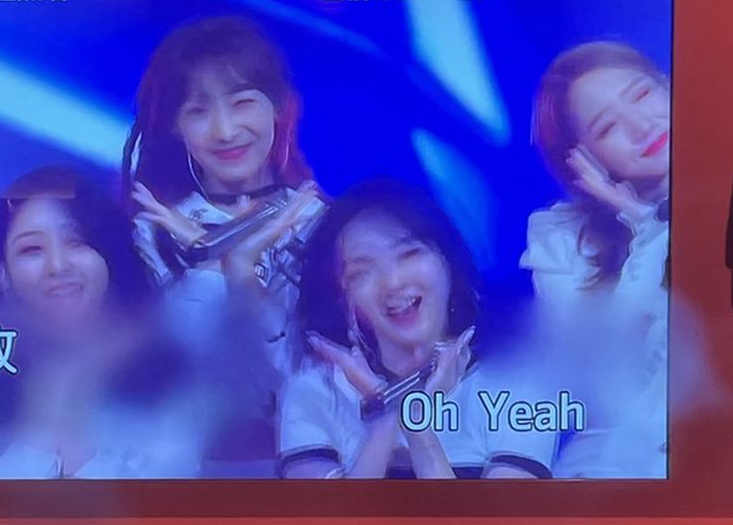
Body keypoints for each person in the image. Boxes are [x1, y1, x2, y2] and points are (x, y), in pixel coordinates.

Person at [0, 166, 207, 479]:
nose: (58, 266)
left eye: (76, 242)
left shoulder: (170, 383)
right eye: (32, 249)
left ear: (109, 254)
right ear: (2, 273)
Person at [282, 180, 563, 479]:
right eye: (361, 272)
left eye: (409, 254)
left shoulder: (519, 387)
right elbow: (332, 513)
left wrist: (418, 425)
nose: (393, 282)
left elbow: (493, 514)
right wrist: (385, 414)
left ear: (448, 262)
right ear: (342, 298)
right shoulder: (316, 391)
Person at [121, 17, 327, 379]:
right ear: (175, 125)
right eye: (199, 111)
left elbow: (318, 375)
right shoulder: (152, 236)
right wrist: (210, 262)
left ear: (278, 106)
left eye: (242, 103)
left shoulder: (319, 225)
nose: (225, 131)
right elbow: (176, 372)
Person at [524, 41, 671, 478]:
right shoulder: (561, 241)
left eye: (642, 95)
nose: (642, 126)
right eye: (607, 127)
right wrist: (645, 226)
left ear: (667, 86)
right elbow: (617, 380)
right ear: (583, 161)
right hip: (622, 471)